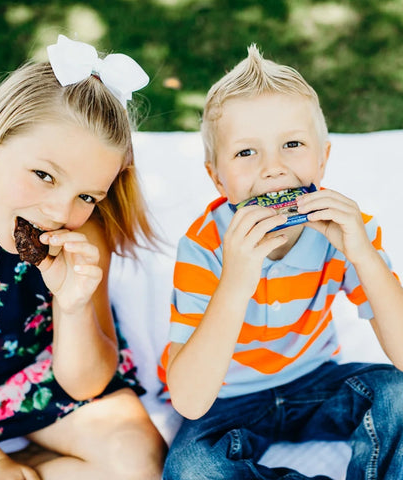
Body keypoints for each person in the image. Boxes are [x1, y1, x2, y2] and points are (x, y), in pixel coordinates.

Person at [0, 34, 166, 480]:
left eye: (87, 195)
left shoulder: (81, 230)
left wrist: (73, 305)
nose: (60, 213)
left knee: (140, 457)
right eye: (43, 175)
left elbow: (85, 383)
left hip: (28, 378)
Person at [159, 44, 403, 479]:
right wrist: (235, 278)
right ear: (217, 177)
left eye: (292, 144)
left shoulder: (347, 231)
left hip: (316, 381)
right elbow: (190, 400)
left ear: (323, 159)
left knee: (399, 393)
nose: (273, 170)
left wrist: (363, 255)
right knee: (191, 469)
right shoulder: (202, 247)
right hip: (227, 399)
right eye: (246, 153)